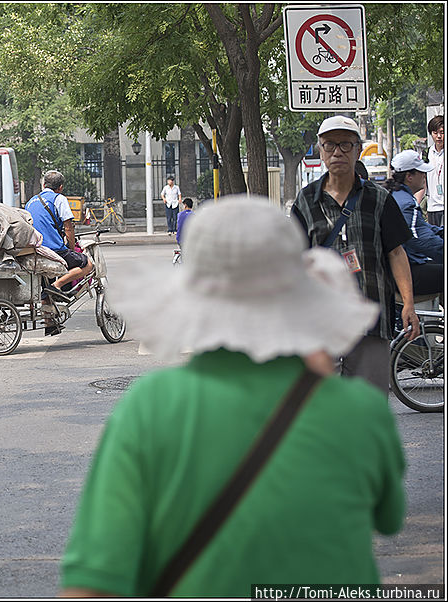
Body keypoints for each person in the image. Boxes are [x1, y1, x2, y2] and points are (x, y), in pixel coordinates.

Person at [60, 197, 405, 597]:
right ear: (297, 294)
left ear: (194, 296)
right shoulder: (358, 409)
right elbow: (389, 515)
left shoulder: (149, 408)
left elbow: (91, 584)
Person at [290, 115, 420, 395]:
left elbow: (396, 252)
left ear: (359, 150)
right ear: (320, 150)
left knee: (369, 409)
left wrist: (408, 303)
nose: (338, 151)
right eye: (330, 145)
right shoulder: (305, 200)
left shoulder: (379, 198)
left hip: (371, 320)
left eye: (346, 145)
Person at [24, 169, 94, 304]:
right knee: (87, 264)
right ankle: (58, 285)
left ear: (44, 185)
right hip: (53, 250)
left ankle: (49, 322)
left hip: (35, 250)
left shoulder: (30, 201)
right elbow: (68, 227)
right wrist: (72, 248)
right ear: (60, 187)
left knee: (45, 291)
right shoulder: (59, 199)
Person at [385, 150, 444, 299]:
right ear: (409, 177)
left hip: (408, 264)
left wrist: (441, 231)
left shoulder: (400, 196)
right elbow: (418, 239)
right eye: (421, 173)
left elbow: (422, 227)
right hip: (406, 271)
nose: (424, 176)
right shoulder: (406, 203)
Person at [425, 115, 444, 226]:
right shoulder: (426, 154)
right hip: (432, 207)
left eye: (442, 132)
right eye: (435, 133)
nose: (439, 136)